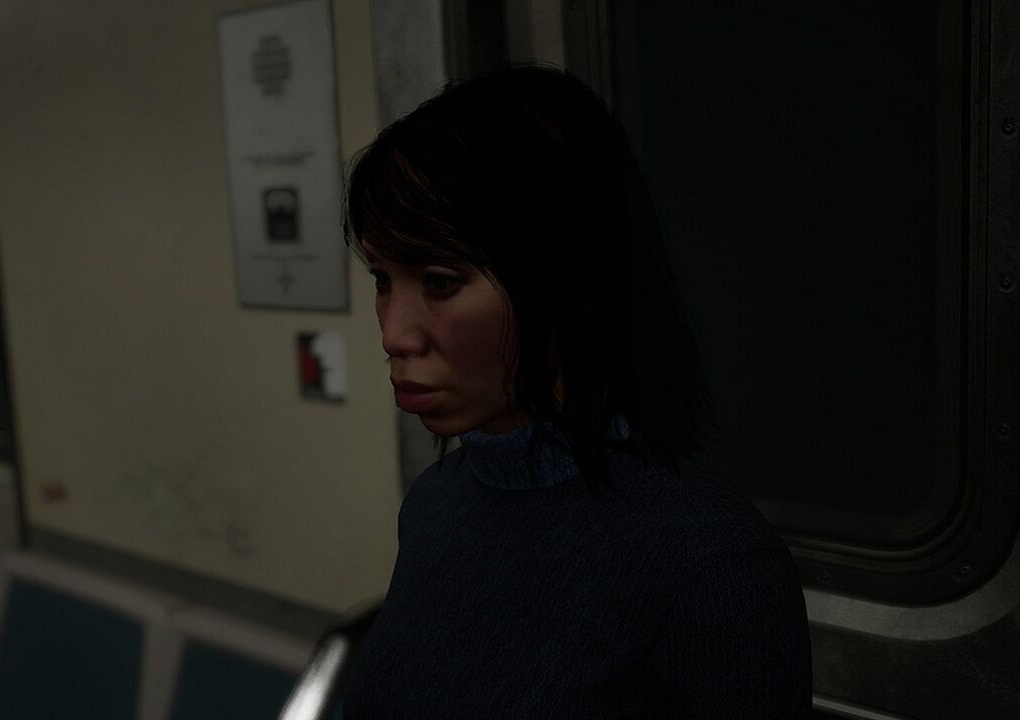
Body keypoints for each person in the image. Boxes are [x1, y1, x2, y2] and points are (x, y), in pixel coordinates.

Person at [339, 62, 811, 718]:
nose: (393, 333)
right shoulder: (435, 506)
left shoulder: (710, 559)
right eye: (382, 279)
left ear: (565, 284)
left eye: (440, 282)